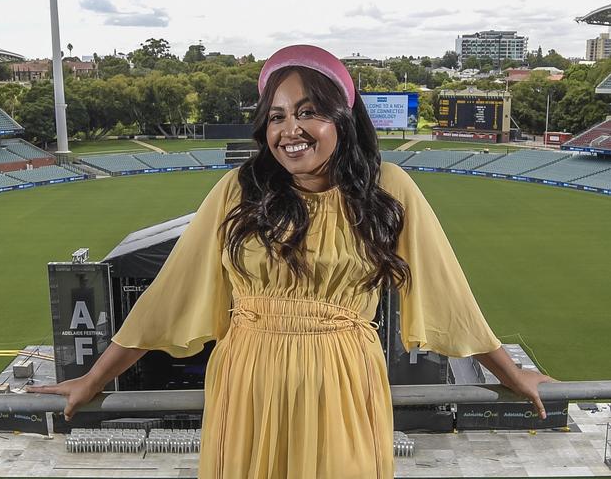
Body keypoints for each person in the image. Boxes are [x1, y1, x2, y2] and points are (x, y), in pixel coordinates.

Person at [28, 44, 553, 478]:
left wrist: (513, 374)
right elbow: (169, 295)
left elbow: (450, 296)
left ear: (341, 118)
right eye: (276, 116)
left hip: (343, 379)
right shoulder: (239, 189)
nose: (290, 130)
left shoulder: (388, 188)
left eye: (308, 112)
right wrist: (92, 380)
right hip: (247, 378)